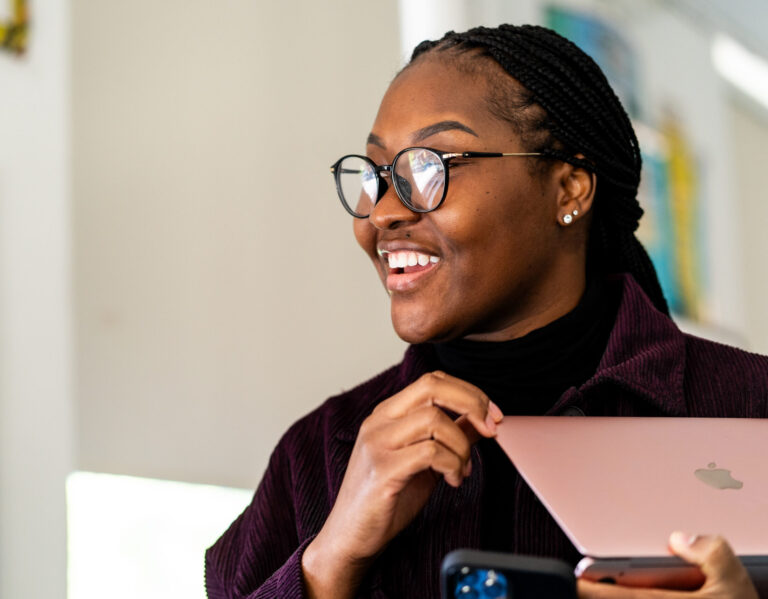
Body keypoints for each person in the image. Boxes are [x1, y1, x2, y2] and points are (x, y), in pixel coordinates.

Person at [205, 24, 767, 599]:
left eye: (431, 166)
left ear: (569, 188)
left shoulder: (750, 407)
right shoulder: (321, 454)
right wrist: (330, 562)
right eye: (375, 174)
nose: (383, 213)